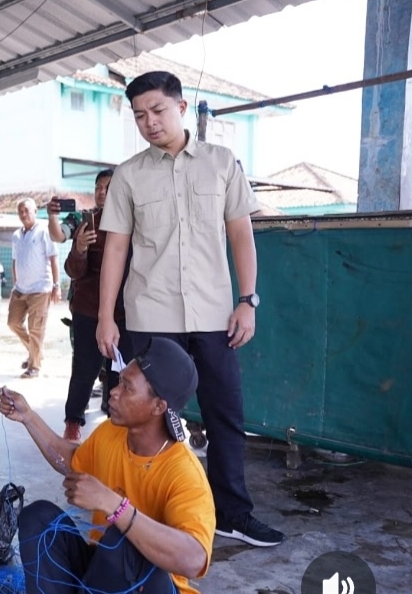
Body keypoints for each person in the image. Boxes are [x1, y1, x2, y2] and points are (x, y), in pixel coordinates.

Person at [96, 70, 284, 547]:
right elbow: (116, 248)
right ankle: (144, 515)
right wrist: (105, 317)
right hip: (151, 315)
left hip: (214, 315)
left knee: (225, 413)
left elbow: (241, 233)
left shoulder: (221, 163)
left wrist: (248, 300)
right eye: (139, 115)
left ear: (181, 107)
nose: (149, 122)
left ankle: (232, 514)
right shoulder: (128, 176)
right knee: (149, 419)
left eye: (158, 110)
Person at [0, 337, 215, 594]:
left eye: (127, 387)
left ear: (158, 406)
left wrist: (114, 505)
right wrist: (28, 417)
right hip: (103, 569)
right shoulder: (112, 433)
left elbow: (194, 559)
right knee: (38, 518)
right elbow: (73, 462)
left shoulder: (184, 472)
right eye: (119, 381)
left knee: (121, 540)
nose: (113, 391)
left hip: (151, 586)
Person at [61, 170, 131, 442]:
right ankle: (73, 423)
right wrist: (79, 249)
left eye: (108, 187)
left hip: (125, 313)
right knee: (84, 369)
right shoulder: (87, 224)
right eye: (98, 187)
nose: (102, 192)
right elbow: (73, 271)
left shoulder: (133, 222)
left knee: (121, 372)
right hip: (88, 310)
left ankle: (117, 428)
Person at [8, 198, 60, 379]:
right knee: (13, 323)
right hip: (20, 289)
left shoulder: (44, 230)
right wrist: (15, 282)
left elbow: (54, 258)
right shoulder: (16, 235)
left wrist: (56, 285)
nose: (24, 214)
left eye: (26, 210)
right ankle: (35, 352)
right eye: (20, 211)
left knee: (36, 329)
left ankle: (34, 367)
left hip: (40, 289)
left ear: (35, 211)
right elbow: (14, 260)